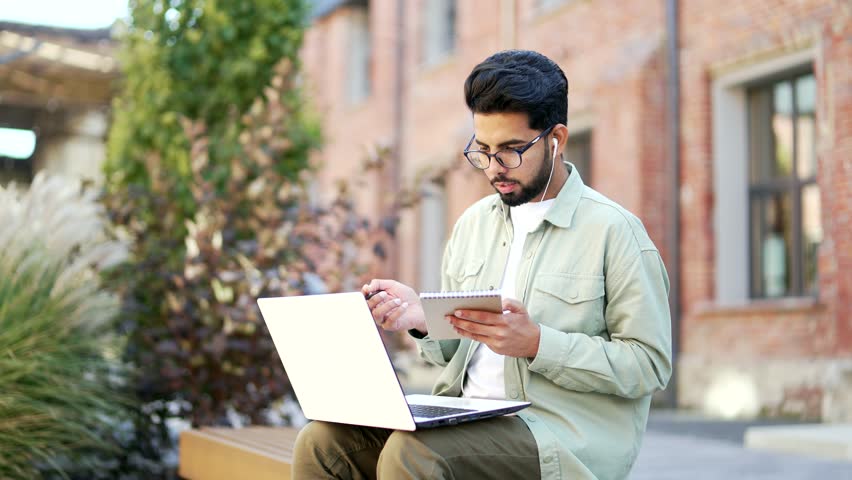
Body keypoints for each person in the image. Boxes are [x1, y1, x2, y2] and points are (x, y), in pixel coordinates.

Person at [292, 49, 672, 480]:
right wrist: (421, 317)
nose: (494, 168)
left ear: (557, 139)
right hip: (465, 416)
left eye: (511, 150)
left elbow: (648, 365)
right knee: (322, 443)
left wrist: (537, 343)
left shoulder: (615, 232)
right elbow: (455, 353)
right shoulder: (474, 224)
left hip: (555, 437)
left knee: (414, 452)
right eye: (483, 150)